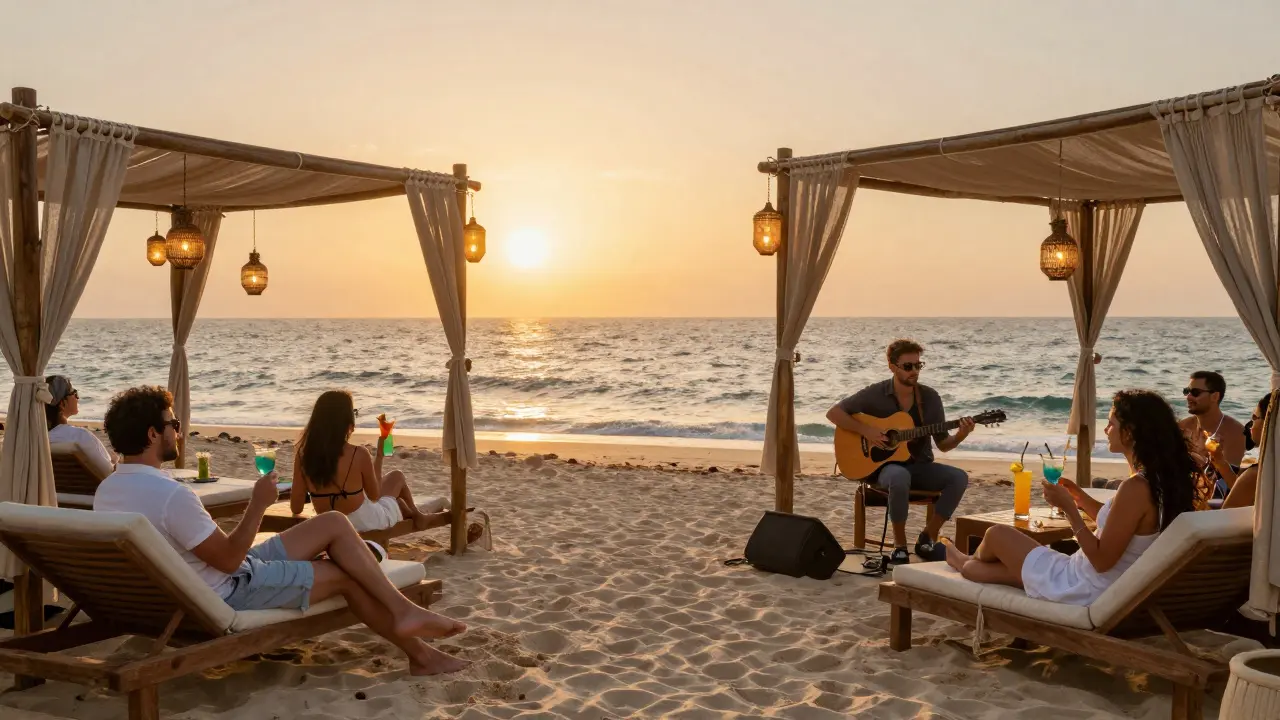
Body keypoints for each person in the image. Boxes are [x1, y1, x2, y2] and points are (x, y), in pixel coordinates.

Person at [93, 386, 468, 675]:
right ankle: (421, 655)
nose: (178, 430)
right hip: (232, 589)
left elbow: (214, 556)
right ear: (152, 433)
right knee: (347, 576)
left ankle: (402, 610)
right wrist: (257, 504)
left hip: (201, 582)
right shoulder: (171, 495)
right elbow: (226, 561)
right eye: (173, 424)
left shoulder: (108, 490)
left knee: (334, 523)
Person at [944, 390, 1198, 604]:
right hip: (1104, 583)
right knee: (996, 558)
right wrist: (1080, 497)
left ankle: (961, 561)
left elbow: (1101, 561)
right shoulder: (1161, 481)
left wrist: (1069, 510)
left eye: (1111, 423)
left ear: (1130, 432)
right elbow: (1121, 528)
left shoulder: (1136, 488)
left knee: (995, 535)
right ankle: (976, 563)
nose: (1107, 430)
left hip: (1082, 586)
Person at [826, 339, 974, 564]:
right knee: (899, 475)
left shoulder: (930, 398)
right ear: (892, 366)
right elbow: (834, 413)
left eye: (918, 366)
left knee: (959, 477)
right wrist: (867, 431)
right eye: (908, 366)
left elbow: (943, 444)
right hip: (882, 469)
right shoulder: (875, 394)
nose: (914, 371)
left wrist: (962, 434)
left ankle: (928, 537)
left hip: (920, 466)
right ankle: (900, 546)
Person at [291, 391, 446, 533]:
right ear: (346, 421)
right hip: (364, 524)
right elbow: (374, 495)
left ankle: (414, 513)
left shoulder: (303, 455)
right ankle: (418, 515)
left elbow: (296, 508)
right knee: (396, 477)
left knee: (393, 498)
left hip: (329, 525)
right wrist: (379, 456)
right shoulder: (358, 453)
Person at [1180, 371, 1246, 491]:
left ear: (1215, 397)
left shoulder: (1235, 433)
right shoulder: (1183, 427)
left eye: (1195, 393)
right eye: (1186, 391)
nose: (1188, 397)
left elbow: (1228, 485)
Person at [1207, 392, 1271, 509]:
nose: (1250, 426)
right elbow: (1243, 490)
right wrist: (1220, 461)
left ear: (1269, 423)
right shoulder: (1268, 469)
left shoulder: (1257, 474)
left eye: (1255, 418)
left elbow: (1225, 520)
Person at [45, 375, 115, 472]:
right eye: (74, 393)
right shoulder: (80, 437)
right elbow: (108, 472)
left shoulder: (35, 439)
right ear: (62, 404)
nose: (78, 398)